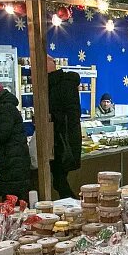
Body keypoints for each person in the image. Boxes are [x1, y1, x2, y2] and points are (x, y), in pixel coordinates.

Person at [47, 55, 82, 198]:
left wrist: (51, 117)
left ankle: (75, 208)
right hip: (61, 140)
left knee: (59, 181)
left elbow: (70, 115)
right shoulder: (60, 84)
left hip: (62, 141)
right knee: (59, 181)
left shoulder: (60, 85)